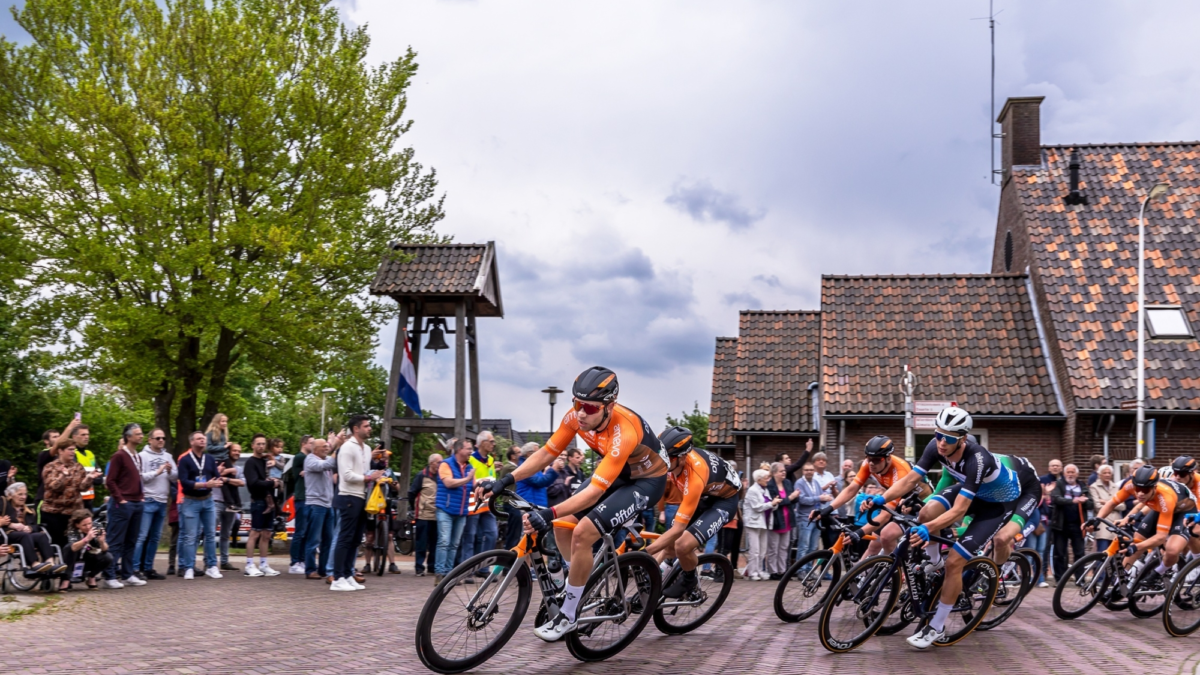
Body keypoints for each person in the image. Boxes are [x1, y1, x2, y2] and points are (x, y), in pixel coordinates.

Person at [477, 366, 668, 641]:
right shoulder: (576, 417)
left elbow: (592, 494)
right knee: (562, 527)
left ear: (609, 406)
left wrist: (548, 510)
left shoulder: (623, 430)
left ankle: (569, 613)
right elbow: (547, 452)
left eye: (590, 408)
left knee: (583, 533)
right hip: (617, 470)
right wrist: (508, 479)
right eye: (577, 404)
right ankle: (581, 580)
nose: (581, 413)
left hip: (646, 481)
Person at [871, 405, 1023, 649]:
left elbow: (959, 511)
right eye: (938, 435)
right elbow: (911, 479)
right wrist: (883, 498)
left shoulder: (977, 458)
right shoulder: (935, 446)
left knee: (955, 560)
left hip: (996, 505)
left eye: (948, 438)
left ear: (962, 439)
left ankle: (937, 626)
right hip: (975, 494)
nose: (941, 442)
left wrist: (928, 528)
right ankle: (934, 561)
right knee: (926, 510)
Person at [645, 426, 741, 597]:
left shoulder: (695, 475)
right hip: (706, 494)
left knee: (682, 545)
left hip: (724, 501)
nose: (662, 462)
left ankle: (690, 581)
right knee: (669, 546)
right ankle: (648, 586)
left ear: (681, 458)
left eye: (667, 459)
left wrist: (643, 554)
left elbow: (678, 530)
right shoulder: (674, 460)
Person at [1089, 466, 1199, 595]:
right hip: (1160, 509)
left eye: (1145, 490)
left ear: (1154, 487)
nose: (1140, 493)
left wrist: (1136, 547)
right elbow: (1111, 503)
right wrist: (1097, 519)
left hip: (1183, 512)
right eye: (1138, 489)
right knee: (1138, 537)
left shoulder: (1165, 498)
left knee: (1172, 549)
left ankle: (1159, 571)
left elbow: (1160, 537)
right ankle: (1120, 582)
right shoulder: (1132, 485)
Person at [815, 436, 925, 558]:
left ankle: (900, 573)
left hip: (919, 503)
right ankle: (859, 576)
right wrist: (827, 509)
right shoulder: (868, 464)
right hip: (899, 499)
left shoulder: (900, 471)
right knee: (874, 545)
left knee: (887, 536)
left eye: (877, 460)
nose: (871, 463)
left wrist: (859, 533)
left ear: (888, 459)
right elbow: (852, 489)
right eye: (868, 458)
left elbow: (885, 515)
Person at [330, 415, 382, 592]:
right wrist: (368, 477)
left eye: (369, 426)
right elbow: (346, 475)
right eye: (366, 426)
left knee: (355, 539)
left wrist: (377, 473)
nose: (370, 429)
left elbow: (365, 471)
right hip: (348, 496)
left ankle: (347, 574)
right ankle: (337, 578)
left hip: (361, 496)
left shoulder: (367, 449)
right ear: (356, 429)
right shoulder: (346, 448)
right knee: (345, 538)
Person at [102, 423, 148, 589]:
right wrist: (120, 499)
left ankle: (128, 574)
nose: (141, 436)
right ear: (128, 437)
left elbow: (138, 478)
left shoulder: (138, 456)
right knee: (116, 540)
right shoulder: (119, 456)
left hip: (137, 502)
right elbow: (110, 480)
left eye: (141, 433)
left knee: (131, 540)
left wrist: (141, 497)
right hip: (123, 504)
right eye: (137, 434)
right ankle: (110, 575)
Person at [40, 417, 95, 554]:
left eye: (74, 449)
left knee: (72, 544)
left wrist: (89, 479)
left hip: (73, 512)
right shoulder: (50, 467)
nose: (72, 452)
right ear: (60, 451)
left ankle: (69, 570)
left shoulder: (77, 467)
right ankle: (52, 569)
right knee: (56, 543)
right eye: (69, 449)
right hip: (54, 513)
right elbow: (53, 487)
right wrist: (62, 476)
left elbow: (81, 488)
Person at [177, 431, 225, 580]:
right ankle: (189, 567)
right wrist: (204, 483)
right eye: (199, 439)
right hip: (191, 501)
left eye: (204, 439)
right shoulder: (185, 460)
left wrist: (219, 480)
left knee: (210, 534)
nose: (203, 441)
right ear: (192, 442)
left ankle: (211, 566)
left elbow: (216, 475)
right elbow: (184, 482)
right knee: (191, 536)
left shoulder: (209, 458)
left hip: (208, 500)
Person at [133, 428, 176, 580]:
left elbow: (175, 477)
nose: (161, 440)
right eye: (157, 438)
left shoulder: (168, 456)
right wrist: (157, 472)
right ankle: (134, 568)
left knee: (155, 537)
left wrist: (170, 471)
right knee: (142, 536)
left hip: (162, 501)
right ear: (149, 440)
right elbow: (139, 478)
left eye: (163, 438)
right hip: (148, 499)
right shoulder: (142, 457)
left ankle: (148, 568)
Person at [434, 439, 475, 583]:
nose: (471, 451)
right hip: (445, 509)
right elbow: (448, 482)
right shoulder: (445, 464)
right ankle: (439, 574)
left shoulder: (469, 467)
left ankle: (449, 574)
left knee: (454, 544)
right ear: (459, 450)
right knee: (444, 541)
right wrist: (467, 479)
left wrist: (484, 485)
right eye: (468, 449)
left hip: (461, 511)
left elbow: (473, 486)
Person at [1, 483, 61, 577]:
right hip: (7, 534)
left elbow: (36, 526)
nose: (24, 497)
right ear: (10, 495)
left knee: (41, 535)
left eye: (25, 494)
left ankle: (50, 563)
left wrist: (29, 528)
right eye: (20, 494)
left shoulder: (28, 511)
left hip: (26, 536)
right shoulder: (3, 503)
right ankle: (34, 564)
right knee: (24, 536)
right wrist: (12, 525)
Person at [243, 433, 282, 577]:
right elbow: (253, 483)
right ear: (252, 445)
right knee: (255, 533)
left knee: (267, 534)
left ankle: (264, 564)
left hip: (269, 501)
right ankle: (249, 564)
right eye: (258, 444)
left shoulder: (266, 461)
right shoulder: (250, 463)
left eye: (263, 444)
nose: (261, 446)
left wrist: (276, 482)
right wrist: (272, 482)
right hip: (258, 501)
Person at [303, 435, 339, 580]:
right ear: (316, 449)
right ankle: (310, 569)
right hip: (316, 505)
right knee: (313, 540)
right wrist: (336, 448)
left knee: (328, 540)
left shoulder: (325, 461)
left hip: (328, 505)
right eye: (324, 446)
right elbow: (324, 465)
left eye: (327, 446)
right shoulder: (310, 459)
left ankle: (323, 569)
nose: (326, 448)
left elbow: (331, 465)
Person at [460, 431, 498, 564]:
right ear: (483, 443)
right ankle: (468, 568)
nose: (494, 444)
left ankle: (484, 567)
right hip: (473, 502)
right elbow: (469, 481)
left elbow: (493, 478)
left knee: (492, 534)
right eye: (491, 441)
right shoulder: (470, 459)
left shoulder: (491, 460)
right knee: (470, 536)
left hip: (487, 502)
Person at [1051, 464, 1093, 580]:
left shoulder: (1082, 486)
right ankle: (1060, 579)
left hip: (1078, 525)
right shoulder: (1059, 484)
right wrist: (1073, 500)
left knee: (1079, 553)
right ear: (1064, 474)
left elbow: (1091, 504)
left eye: (1072, 472)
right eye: (1068, 472)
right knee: (1060, 553)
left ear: (1077, 474)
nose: (1070, 474)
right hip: (1061, 524)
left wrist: (1084, 501)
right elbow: (1056, 499)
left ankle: (1080, 578)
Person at [406, 453, 443, 576]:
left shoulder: (442, 476)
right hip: (423, 515)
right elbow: (411, 493)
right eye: (439, 462)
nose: (441, 465)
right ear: (432, 463)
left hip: (437, 515)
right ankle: (419, 568)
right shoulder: (421, 475)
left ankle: (432, 567)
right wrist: (416, 508)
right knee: (421, 542)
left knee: (435, 542)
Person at [741, 469, 778, 580]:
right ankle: (752, 573)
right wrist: (772, 503)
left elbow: (771, 506)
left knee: (762, 550)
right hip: (753, 523)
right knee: (755, 550)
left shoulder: (765, 490)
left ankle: (759, 570)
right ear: (759, 479)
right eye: (766, 478)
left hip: (764, 523)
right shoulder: (752, 490)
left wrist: (774, 503)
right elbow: (757, 507)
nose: (768, 480)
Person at [212, 443, 244, 571]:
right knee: (211, 533)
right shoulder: (218, 464)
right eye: (234, 450)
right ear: (228, 451)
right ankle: (210, 562)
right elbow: (214, 478)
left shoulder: (239, 469)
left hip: (230, 505)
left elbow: (242, 482)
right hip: (216, 501)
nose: (237, 453)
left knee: (226, 534)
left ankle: (224, 561)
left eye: (239, 451)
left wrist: (226, 480)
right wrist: (226, 476)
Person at [763, 462, 798, 579]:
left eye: (784, 470)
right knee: (773, 548)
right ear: (773, 473)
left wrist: (792, 498)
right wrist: (790, 498)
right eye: (781, 471)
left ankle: (782, 571)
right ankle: (773, 571)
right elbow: (776, 503)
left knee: (784, 547)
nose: (784, 472)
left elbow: (791, 501)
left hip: (788, 519)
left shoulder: (787, 483)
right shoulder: (770, 485)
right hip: (776, 520)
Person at [286, 435, 314, 574]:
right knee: (300, 531)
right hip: (301, 497)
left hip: (308, 498)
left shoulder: (307, 458)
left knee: (307, 532)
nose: (313, 445)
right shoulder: (300, 457)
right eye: (311, 443)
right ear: (303, 444)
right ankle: (294, 562)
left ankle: (301, 560)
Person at [64, 509, 111, 590]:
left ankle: (91, 577)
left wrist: (102, 542)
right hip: (74, 559)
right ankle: (66, 579)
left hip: (89, 556)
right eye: (84, 525)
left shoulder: (96, 526)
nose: (88, 527)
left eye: (89, 523)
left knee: (108, 557)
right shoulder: (72, 529)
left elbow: (105, 550)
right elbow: (73, 548)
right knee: (69, 548)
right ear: (77, 525)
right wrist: (87, 539)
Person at [793, 463, 825, 563]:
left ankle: (808, 570)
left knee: (813, 547)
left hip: (817, 519)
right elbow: (802, 500)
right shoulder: (799, 483)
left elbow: (820, 498)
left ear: (814, 471)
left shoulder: (816, 482)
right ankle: (801, 570)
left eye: (811, 470)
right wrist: (819, 498)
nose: (809, 472)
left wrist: (825, 498)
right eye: (806, 470)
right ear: (803, 471)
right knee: (804, 546)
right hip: (805, 519)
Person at [1089, 464, 1122, 555]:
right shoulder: (1094, 487)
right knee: (1102, 554)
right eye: (1104, 473)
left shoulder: (1116, 487)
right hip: (1103, 524)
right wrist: (1113, 504)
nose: (1107, 475)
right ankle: (1100, 569)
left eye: (1109, 473)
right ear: (1099, 474)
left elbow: (1123, 506)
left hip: (1116, 524)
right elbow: (1097, 506)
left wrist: (1105, 502)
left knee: (1115, 556)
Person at [514, 442, 559, 508]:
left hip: (535, 504)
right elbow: (539, 482)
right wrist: (553, 470)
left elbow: (544, 483)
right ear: (529, 454)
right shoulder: (525, 467)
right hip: (529, 505)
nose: (540, 455)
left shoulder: (533, 465)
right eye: (537, 452)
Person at [33, 429, 60, 508]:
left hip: (57, 501)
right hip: (44, 500)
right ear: (46, 441)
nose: (58, 439)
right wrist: (71, 426)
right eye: (55, 437)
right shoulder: (43, 454)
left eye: (59, 436)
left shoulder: (61, 456)